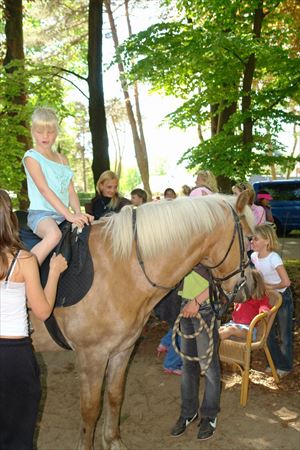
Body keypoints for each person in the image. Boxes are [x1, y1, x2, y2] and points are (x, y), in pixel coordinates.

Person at [0, 189, 67, 450]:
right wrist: (54, 272)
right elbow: (42, 311)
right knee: (18, 436)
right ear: (10, 218)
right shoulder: (23, 260)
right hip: (14, 358)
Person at [22, 107, 93, 265]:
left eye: (51, 131)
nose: (45, 136)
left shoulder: (62, 159)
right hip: (42, 215)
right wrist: (69, 215)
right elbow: (44, 190)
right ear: (32, 130)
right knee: (54, 235)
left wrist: (78, 212)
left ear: (57, 132)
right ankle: (23, 273)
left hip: (63, 214)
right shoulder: (31, 157)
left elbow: (70, 190)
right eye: (40, 131)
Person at [171, 265, 220, 441]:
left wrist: (197, 301)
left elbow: (222, 281)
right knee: (188, 365)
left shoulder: (210, 242)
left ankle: (209, 416)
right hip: (185, 304)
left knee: (208, 366)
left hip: (204, 306)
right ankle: (188, 412)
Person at [250, 224, 293, 377]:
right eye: (252, 238)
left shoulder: (274, 258)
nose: (252, 241)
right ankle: (273, 362)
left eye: (256, 239)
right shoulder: (253, 257)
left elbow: (286, 282)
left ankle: (285, 366)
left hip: (283, 298)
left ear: (267, 241)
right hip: (267, 299)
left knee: (284, 334)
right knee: (267, 333)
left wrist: (270, 286)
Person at [219, 270, 271, 341]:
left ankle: (214, 345)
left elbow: (264, 306)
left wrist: (263, 309)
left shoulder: (260, 298)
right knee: (219, 330)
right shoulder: (242, 296)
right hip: (234, 324)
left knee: (231, 330)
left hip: (249, 330)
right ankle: (212, 346)